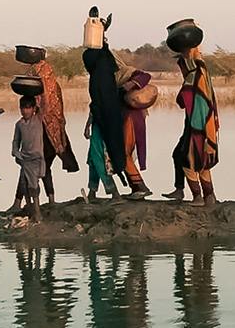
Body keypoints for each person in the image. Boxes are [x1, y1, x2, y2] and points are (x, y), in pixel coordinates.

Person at [83, 28, 149, 198]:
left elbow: (144, 76)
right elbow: (97, 102)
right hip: (111, 117)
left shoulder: (123, 73)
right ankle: (93, 190)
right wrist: (90, 122)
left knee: (120, 152)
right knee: (97, 154)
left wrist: (130, 85)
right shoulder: (101, 78)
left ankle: (133, 188)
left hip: (128, 118)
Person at [167, 45, 220, 206]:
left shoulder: (193, 78)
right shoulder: (202, 74)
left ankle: (197, 196)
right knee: (202, 163)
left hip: (197, 128)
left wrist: (192, 53)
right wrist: (194, 51)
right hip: (207, 126)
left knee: (188, 162)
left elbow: (181, 101)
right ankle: (209, 196)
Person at [30, 56, 78, 202]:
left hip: (47, 132)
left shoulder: (46, 95)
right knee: (43, 167)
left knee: (37, 167)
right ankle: (49, 200)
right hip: (52, 132)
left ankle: (27, 201)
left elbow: (46, 105)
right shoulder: (55, 87)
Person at [10, 96, 48, 217]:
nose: (25, 111)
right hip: (24, 159)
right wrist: (16, 152)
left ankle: (37, 212)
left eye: (28, 108)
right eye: (23, 108)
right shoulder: (19, 124)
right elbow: (16, 141)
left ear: (33, 109)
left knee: (33, 185)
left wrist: (38, 98)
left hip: (36, 158)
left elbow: (44, 106)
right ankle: (30, 207)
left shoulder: (38, 120)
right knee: (24, 184)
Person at [84, 114, 120, 201]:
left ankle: (113, 191)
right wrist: (88, 125)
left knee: (99, 159)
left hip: (103, 128)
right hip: (101, 126)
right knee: (93, 159)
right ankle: (92, 190)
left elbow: (95, 109)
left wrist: (87, 126)